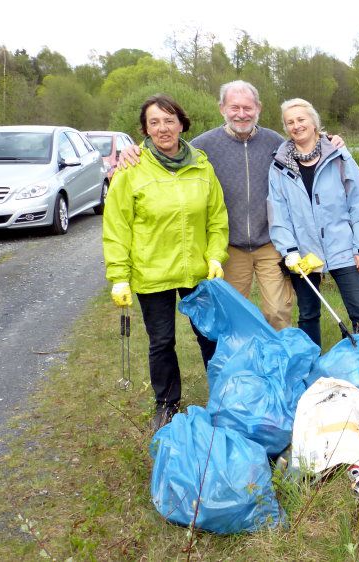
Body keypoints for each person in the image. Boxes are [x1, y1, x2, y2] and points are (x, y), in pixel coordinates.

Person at [118, 80, 344, 331]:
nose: (241, 114)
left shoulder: (275, 143)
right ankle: (242, 366)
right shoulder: (202, 146)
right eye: (234, 107)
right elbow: (167, 152)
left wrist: (329, 139)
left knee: (278, 310)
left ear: (258, 108)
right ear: (222, 108)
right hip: (230, 247)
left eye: (247, 108)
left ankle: (282, 364)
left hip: (270, 243)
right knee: (234, 315)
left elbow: (306, 146)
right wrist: (134, 151)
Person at [103, 94, 230, 433]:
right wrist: (119, 276)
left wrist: (216, 255)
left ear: (181, 124)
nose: (163, 128)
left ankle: (223, 395)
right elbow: (117, 226)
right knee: (161, 342)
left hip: (196, 271)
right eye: (154, 122)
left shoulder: (202, 165)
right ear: (145, 129)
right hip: (152, 271)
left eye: (169, 120)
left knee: (210, 336)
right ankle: (167, 402)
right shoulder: (131, 169)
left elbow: (217, 218)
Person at [267, 98, 359, 348]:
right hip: (304, 253)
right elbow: (277, 212)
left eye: (301, 119)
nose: (296, 126)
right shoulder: (279, 165)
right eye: (290, 122)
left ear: (314, 122)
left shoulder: (338, 155)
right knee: (307, 315)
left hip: (344, 248)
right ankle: (312, 369)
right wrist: (289, 251)